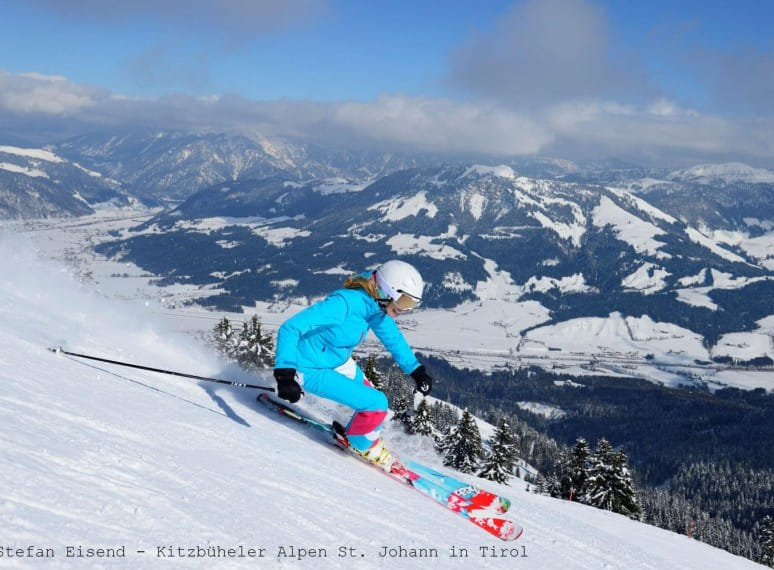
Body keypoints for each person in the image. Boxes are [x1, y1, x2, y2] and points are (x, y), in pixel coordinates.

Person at [272, 259, 433, 471]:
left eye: (410, 306)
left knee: (371, 402)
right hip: (308, 367)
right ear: (387, 290)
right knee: (376, 404)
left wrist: (416, 370)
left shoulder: (374, 304)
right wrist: (285, 375)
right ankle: (361, 444)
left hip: (336, 360)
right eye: (403, 303)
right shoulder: (345, 304)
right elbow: (290, 328)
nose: (404, 310)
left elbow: (392, 338)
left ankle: (363, 435)